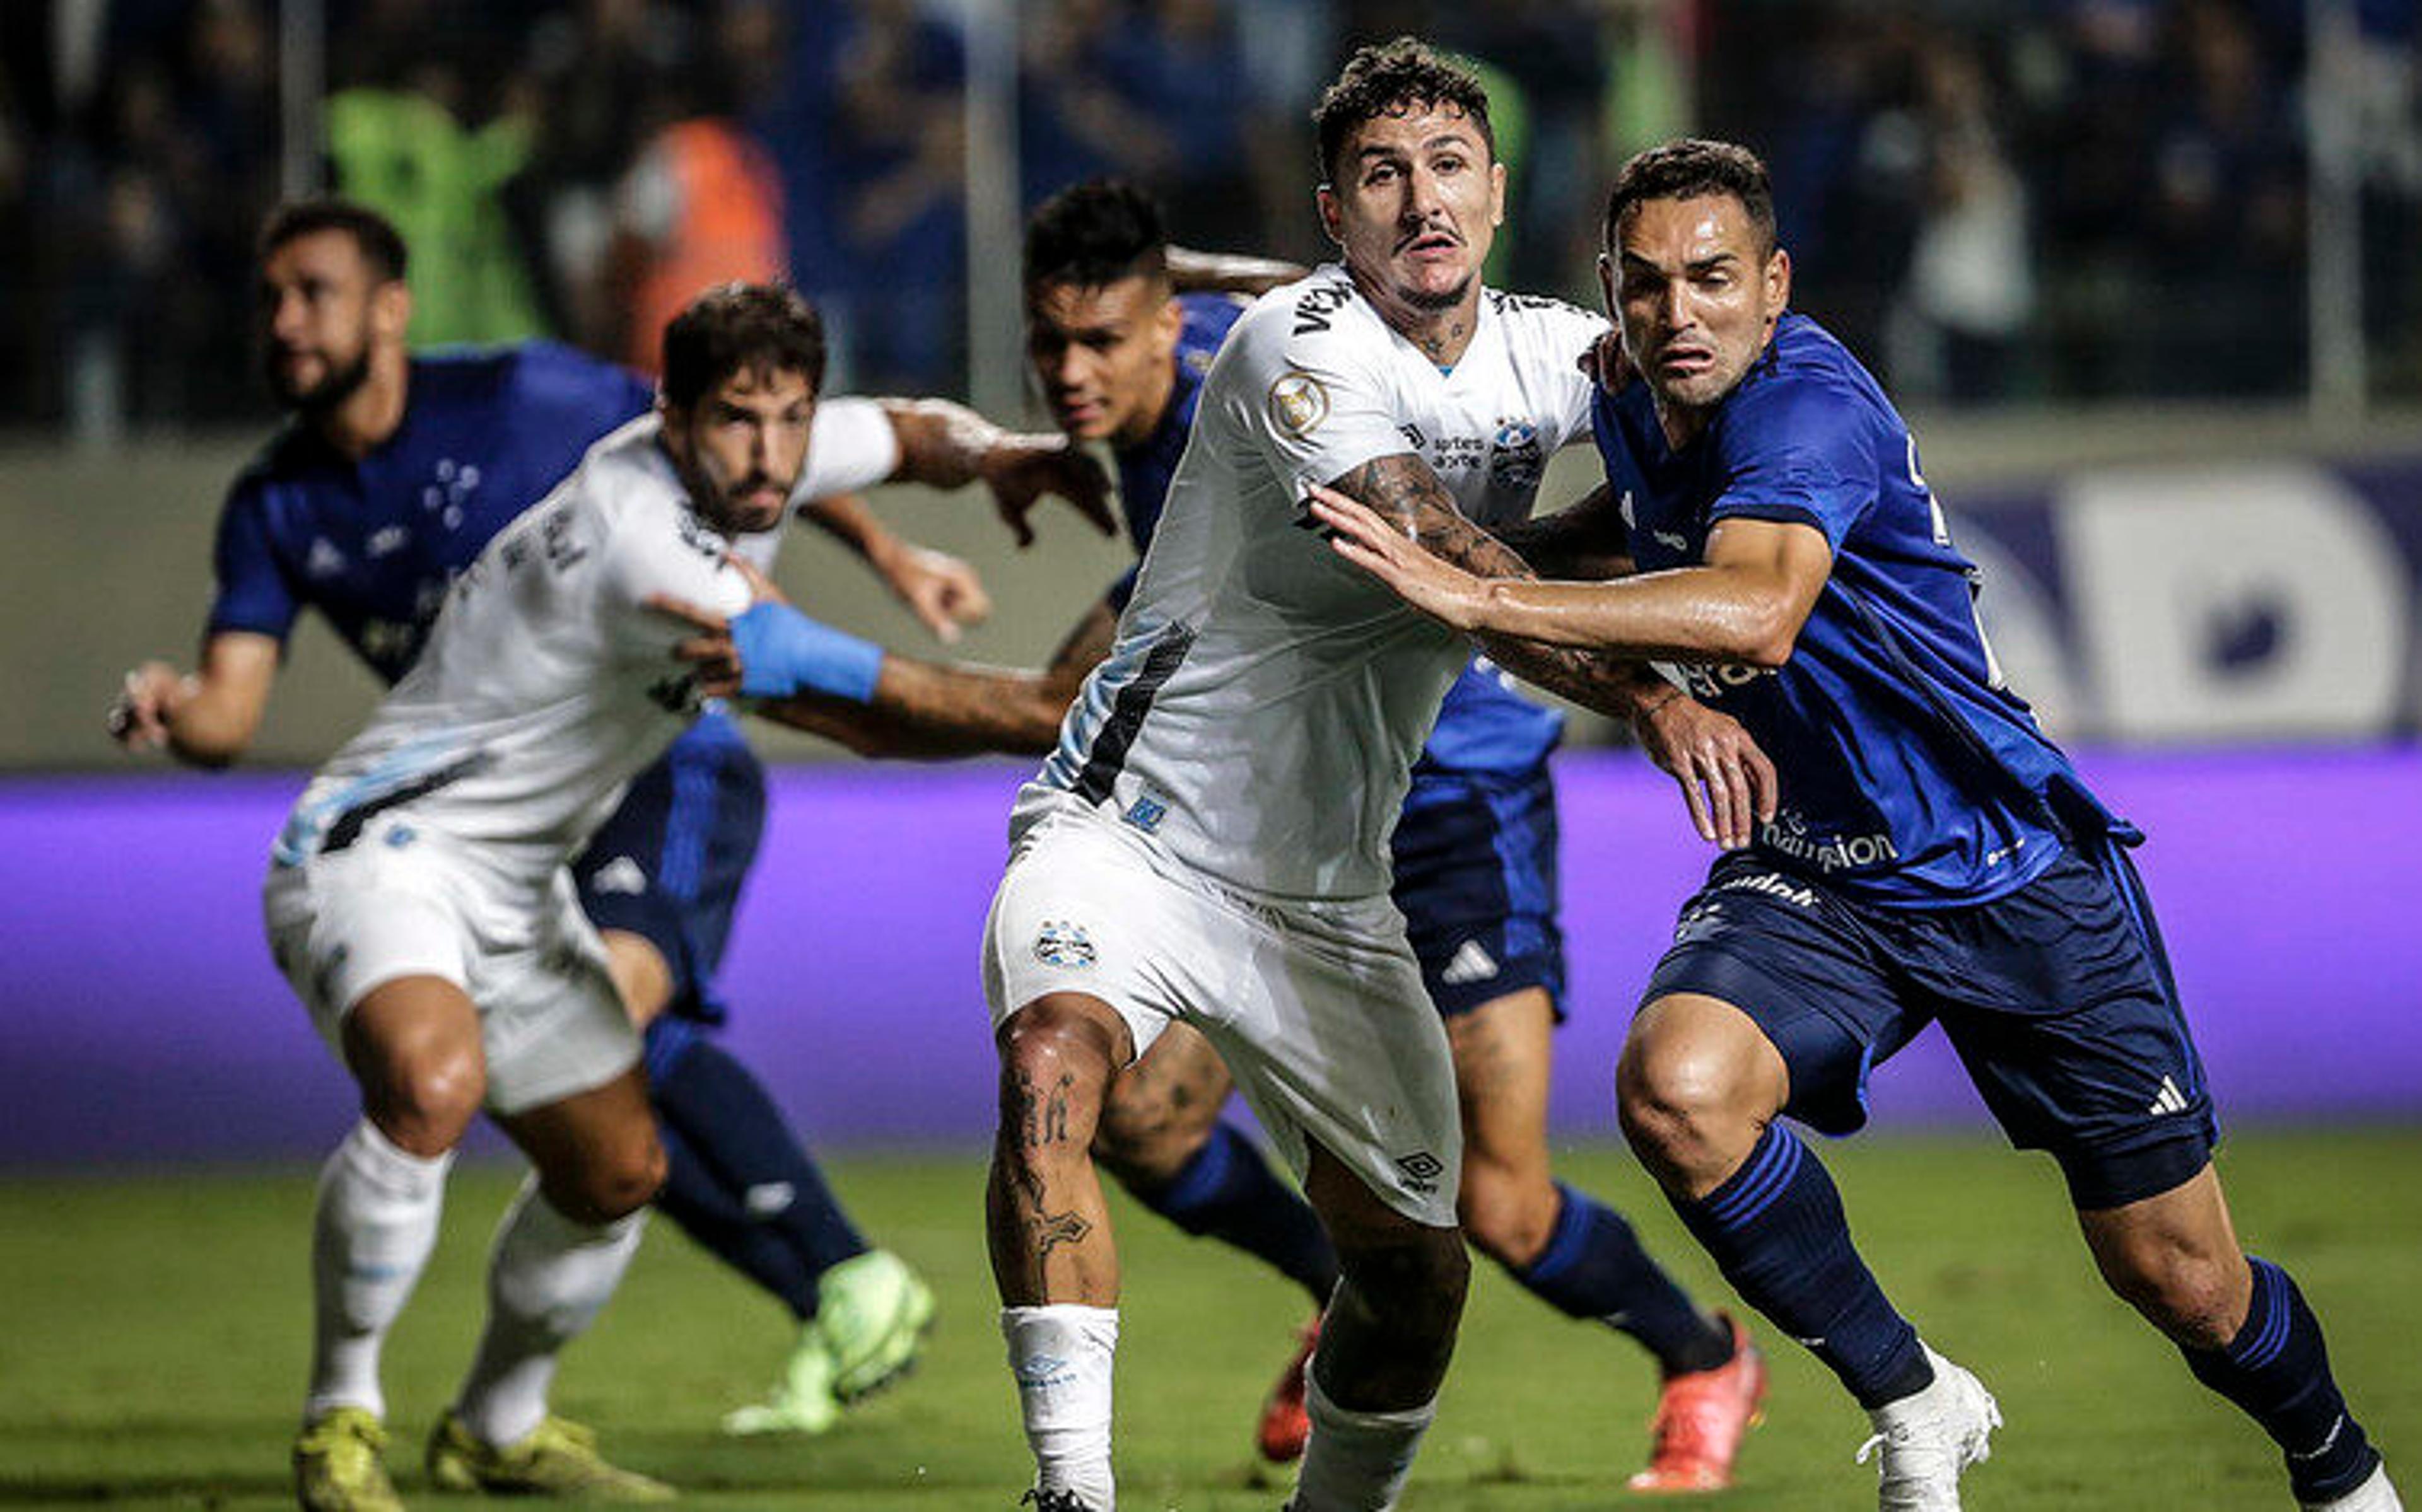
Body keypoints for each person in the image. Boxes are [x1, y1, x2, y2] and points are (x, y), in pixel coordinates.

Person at [1309, 137, 2404, 1512]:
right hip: (1820, 862)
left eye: (1712, 279)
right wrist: (1483, 550)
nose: (1677, 313)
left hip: (2005, 864)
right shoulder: (1641, 399)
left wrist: (1493, 602)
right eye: (1644, 286)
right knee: (1679, 1089)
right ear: (1609, 289)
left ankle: (2340, 1467)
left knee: (2180, 1276)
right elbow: (1640, 530)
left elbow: (1756, 608)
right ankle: (1913, 1391)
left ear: (1774, 285)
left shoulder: (1807, 407)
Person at [107, 201, 1112, 1506]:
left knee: (617, 1166)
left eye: (789, 423)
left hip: (517, 883)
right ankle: (338, 1416)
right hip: (375, 847)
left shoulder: (761, 446)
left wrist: (1002, 454)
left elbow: (906, 430)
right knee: (431, 1080)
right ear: (672, 420)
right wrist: (1046, 710)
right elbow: (845, 699)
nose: (770, 456)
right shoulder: (643, 538)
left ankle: (497, 1423)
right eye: (737, 424)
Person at [826, 175, 1770, 1487]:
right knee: (1145, 1123)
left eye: (1101, 337)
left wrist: (820, 683)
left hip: (1462, 783)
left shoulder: (1274, 365)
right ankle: (1336, 1289)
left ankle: (1701, 1352)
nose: (1068, 370)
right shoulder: (1183, 431)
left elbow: (1355, 318)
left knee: (1495, 1199)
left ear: (1164, 324)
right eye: (1048, 341)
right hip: (1286, 823)